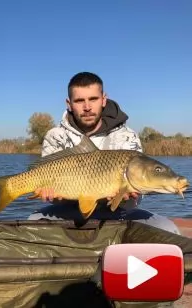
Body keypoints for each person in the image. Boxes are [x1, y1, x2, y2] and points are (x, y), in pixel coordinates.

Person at [28, 72, 181, 234]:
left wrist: (125, 199)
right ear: (69, 103)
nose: (87, 107)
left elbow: (136, 198)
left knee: (168, 229)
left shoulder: (126, 136)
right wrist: (52, 195)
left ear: (103, 99)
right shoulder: (56, 136)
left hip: (118, 213)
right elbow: (56, 200)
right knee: (31, 223)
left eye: (93, 99)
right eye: (80, 101)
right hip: (69, 212)